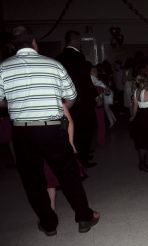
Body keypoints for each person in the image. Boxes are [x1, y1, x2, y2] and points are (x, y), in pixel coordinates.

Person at [0, 26, 100, 236]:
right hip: (52, 128)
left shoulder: (2, 67)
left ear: (12, 45)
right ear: (34, 43)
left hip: (22, 132)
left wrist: (14, 105)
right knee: (68, 175)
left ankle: (49, 223)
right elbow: (71, 97)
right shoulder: (53, 65)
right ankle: (84, 217)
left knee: (32, 180)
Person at [57, 30, 98, 168]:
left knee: (72, 131)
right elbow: (84, 82)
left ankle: (78, 155)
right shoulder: (79, 57)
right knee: (84, 131)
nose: (80, 43)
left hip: (65, 101)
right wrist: (94, 96)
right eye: (79, 40)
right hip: (82, 102)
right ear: (74, 40)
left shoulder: (59, 58)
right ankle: (82, 159)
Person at [130, 74, 148, 172]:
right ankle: (142, 164)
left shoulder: (136, 91)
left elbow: (135, 106)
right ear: (145, 82)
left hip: (140, 116)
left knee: (144, 140)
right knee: (144, 142)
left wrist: (133, 117)